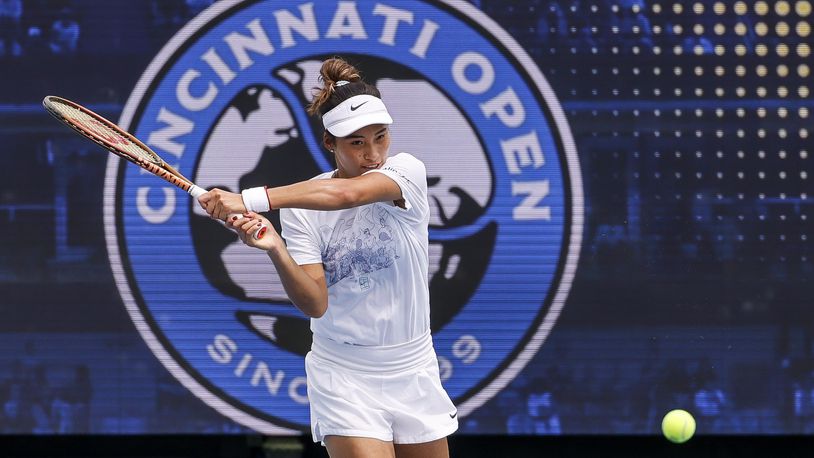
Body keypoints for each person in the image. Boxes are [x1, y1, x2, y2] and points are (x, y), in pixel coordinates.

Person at [198, 57, 458, 457]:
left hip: (413, 367)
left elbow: (347, 195)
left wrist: (247, 198)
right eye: (357, 142)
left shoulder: (407, 172)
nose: (372, 153)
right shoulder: (300, 208)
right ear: (329, 143)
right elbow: (315, 303)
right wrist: (276, 249)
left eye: (380, 137)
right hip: (344, 375)